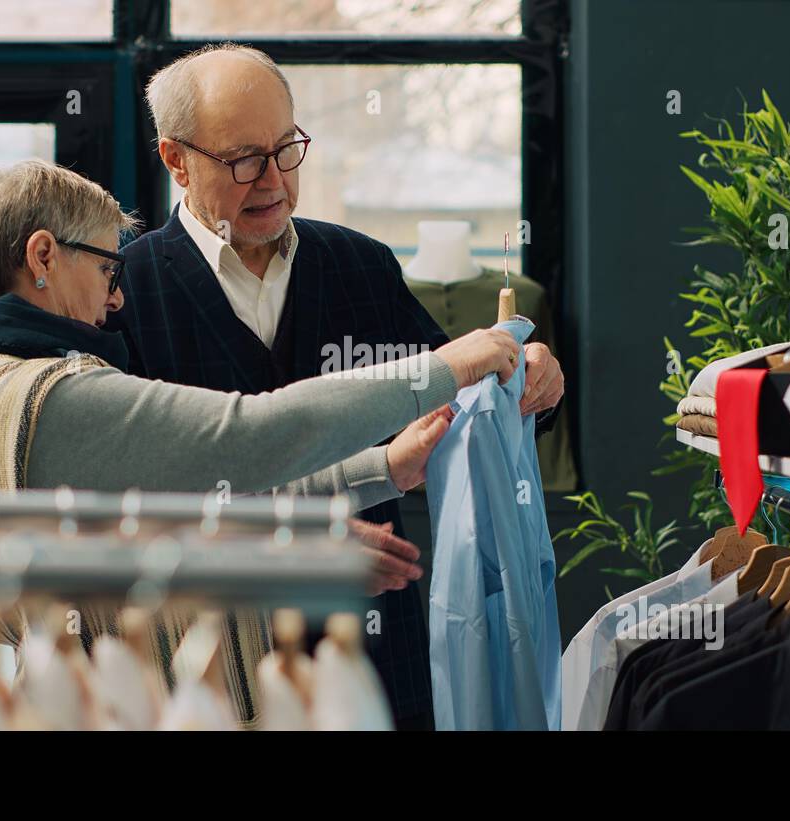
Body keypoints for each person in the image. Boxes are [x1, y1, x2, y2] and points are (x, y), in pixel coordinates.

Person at [0, 158, 521, 724]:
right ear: (44, 256)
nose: (115, 299)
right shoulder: (57, 396)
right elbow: (252, 433)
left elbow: (191, 502)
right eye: (105, 271)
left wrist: (383, 468)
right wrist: (443, 367)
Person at [109, 43, 566, 728]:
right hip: (207, 673)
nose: (273, 180)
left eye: (286, 148)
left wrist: (527, 384)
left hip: (377, 661)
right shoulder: (125, 295)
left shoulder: (361, 266)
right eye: (243, 159)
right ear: (175, 159)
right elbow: (123, 506)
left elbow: (454, 409)